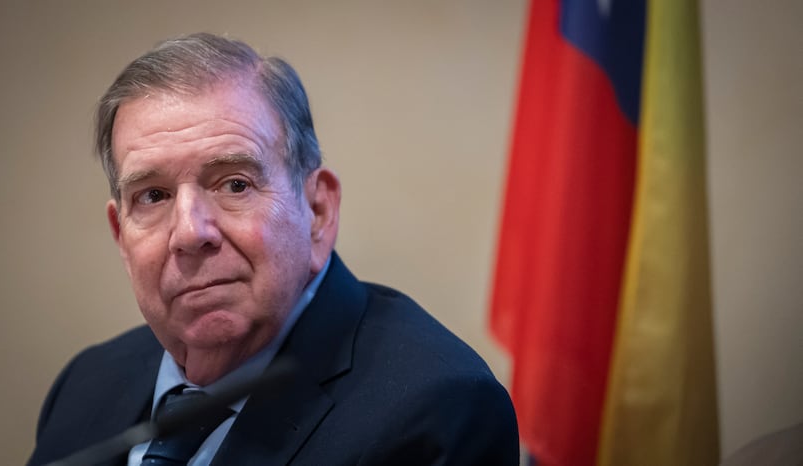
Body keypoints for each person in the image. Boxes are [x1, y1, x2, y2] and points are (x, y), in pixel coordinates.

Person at [27, 32, 519, 465]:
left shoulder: (434, 411)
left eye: (235, 184)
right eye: (153, 196)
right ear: (121, 235)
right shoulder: (85, 384)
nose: (190, 233)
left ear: (318, 212)